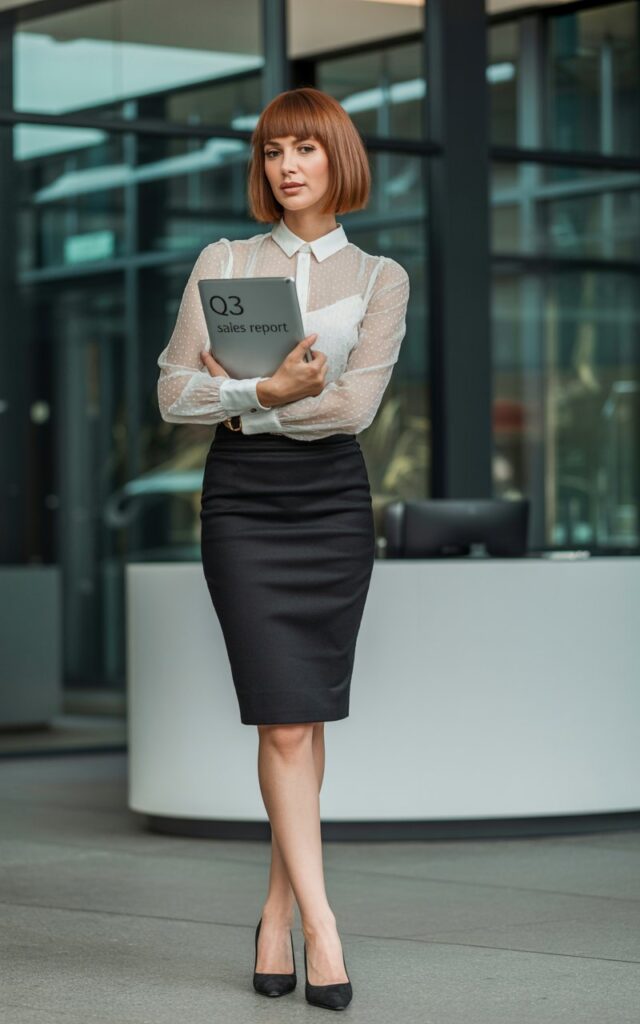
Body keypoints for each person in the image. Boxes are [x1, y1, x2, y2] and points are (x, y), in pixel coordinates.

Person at [156, 86, 410, 1011]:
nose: (287, 166)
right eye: (272, 151)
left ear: (339, 158)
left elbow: (353, 410)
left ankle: (274, 914)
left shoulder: (380, 278)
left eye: (305, 148)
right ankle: (323, 928)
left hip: (332, 504)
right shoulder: (223, 261)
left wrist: (243, 395)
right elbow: (173, 395)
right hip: (244, 505)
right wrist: (267, 395)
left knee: (300, 718)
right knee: (283, 720)